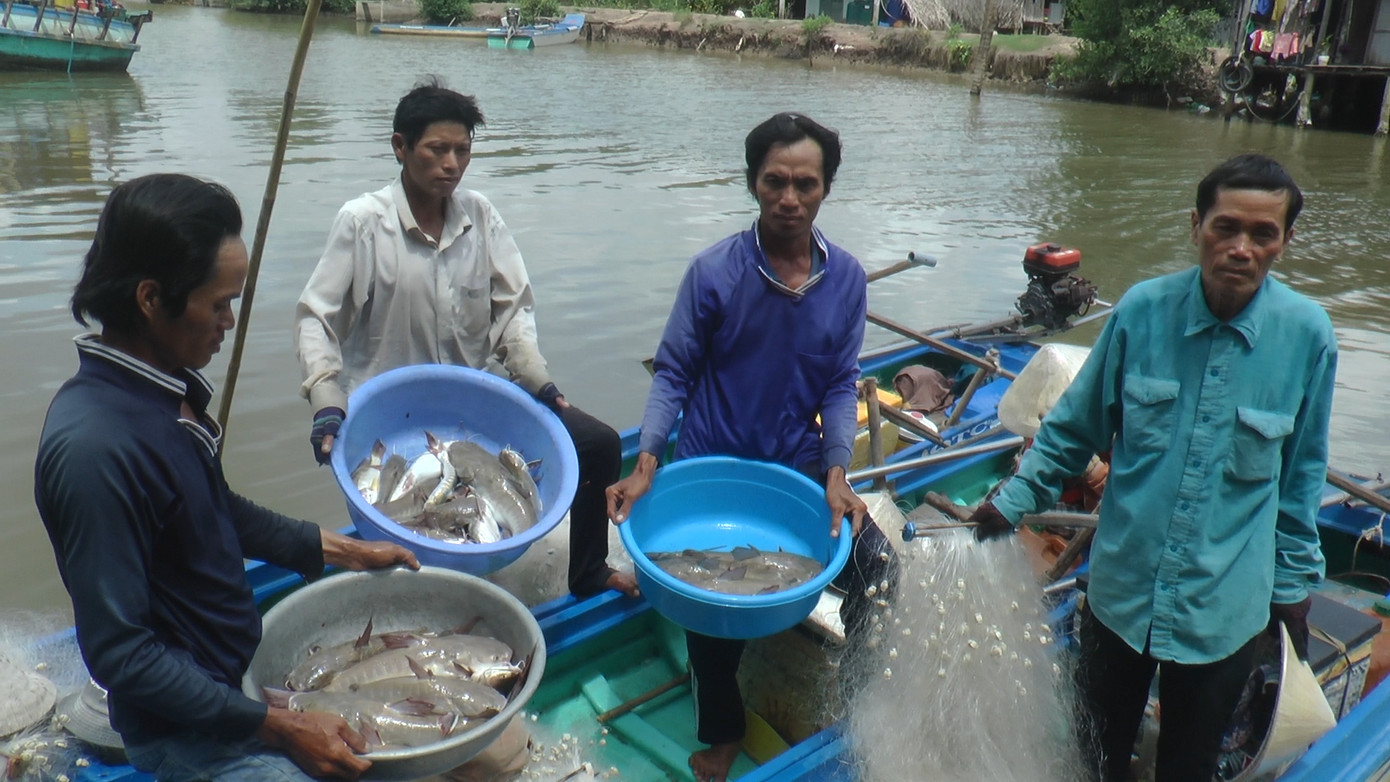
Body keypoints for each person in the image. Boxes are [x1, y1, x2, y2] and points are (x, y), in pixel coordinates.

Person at [35, 173, 421, 782]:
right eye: (218, 304)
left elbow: (217, 513)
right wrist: (278, 726)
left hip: (230, 687)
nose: (229, 322)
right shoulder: (96, 450)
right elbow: (123, 655)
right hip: (188, 734)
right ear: (150, 298)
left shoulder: (162, 392)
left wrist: (347, 550)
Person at [969, 153, 1335, 782]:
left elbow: (1301, 479)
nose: (1241, 248)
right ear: (1196, 226)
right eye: (1226, 227)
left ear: (1286, 241)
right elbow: (1072, 428)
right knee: (1093, 757)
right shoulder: (1141, 312)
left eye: (1263, 233)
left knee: (1188, 767)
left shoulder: (1308, 337)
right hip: (1121, 597)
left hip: (1224, 612)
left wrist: (1293, 593)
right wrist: (1011, 500)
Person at [605, 112, 899, 782]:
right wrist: (648, 461)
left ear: (826, 189)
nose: (789, 198)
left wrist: (837, 473)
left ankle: (859, 706)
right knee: (709, 614)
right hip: (712, 467)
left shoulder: (846, 279)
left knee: (878, 574)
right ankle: (723, 733)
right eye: (775, 182)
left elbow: (838, 383)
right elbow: (673, 372)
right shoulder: (713, 273)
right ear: (752, 183)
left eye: (805, 183)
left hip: (797, 465)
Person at [293, 79, 637, 599]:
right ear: (400, 147)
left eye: (462, 151)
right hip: (393, 420)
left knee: (598, 442)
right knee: (412, 527)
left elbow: (513, 312)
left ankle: (587, 573)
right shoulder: (363, 223)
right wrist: (326, 398)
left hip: (474, 403)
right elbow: (315, 318)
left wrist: (538, 379)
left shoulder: (480, 216)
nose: (451, 163)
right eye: (437, 149)